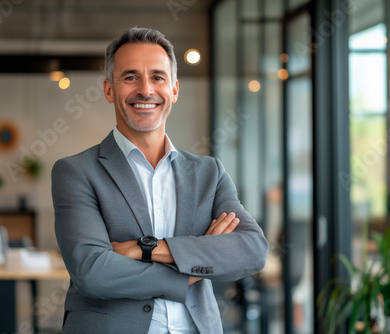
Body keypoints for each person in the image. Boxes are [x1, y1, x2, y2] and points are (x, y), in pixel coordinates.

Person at [52, 27, 268, 334]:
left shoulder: (210, 173)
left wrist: (147, 249)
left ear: (174, 90)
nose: (145, 90)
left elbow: (252, 250)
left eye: (157, 77)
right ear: (109, 89)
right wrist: (195, 263)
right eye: (130, 77)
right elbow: (92, 273)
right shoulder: (75, 172)